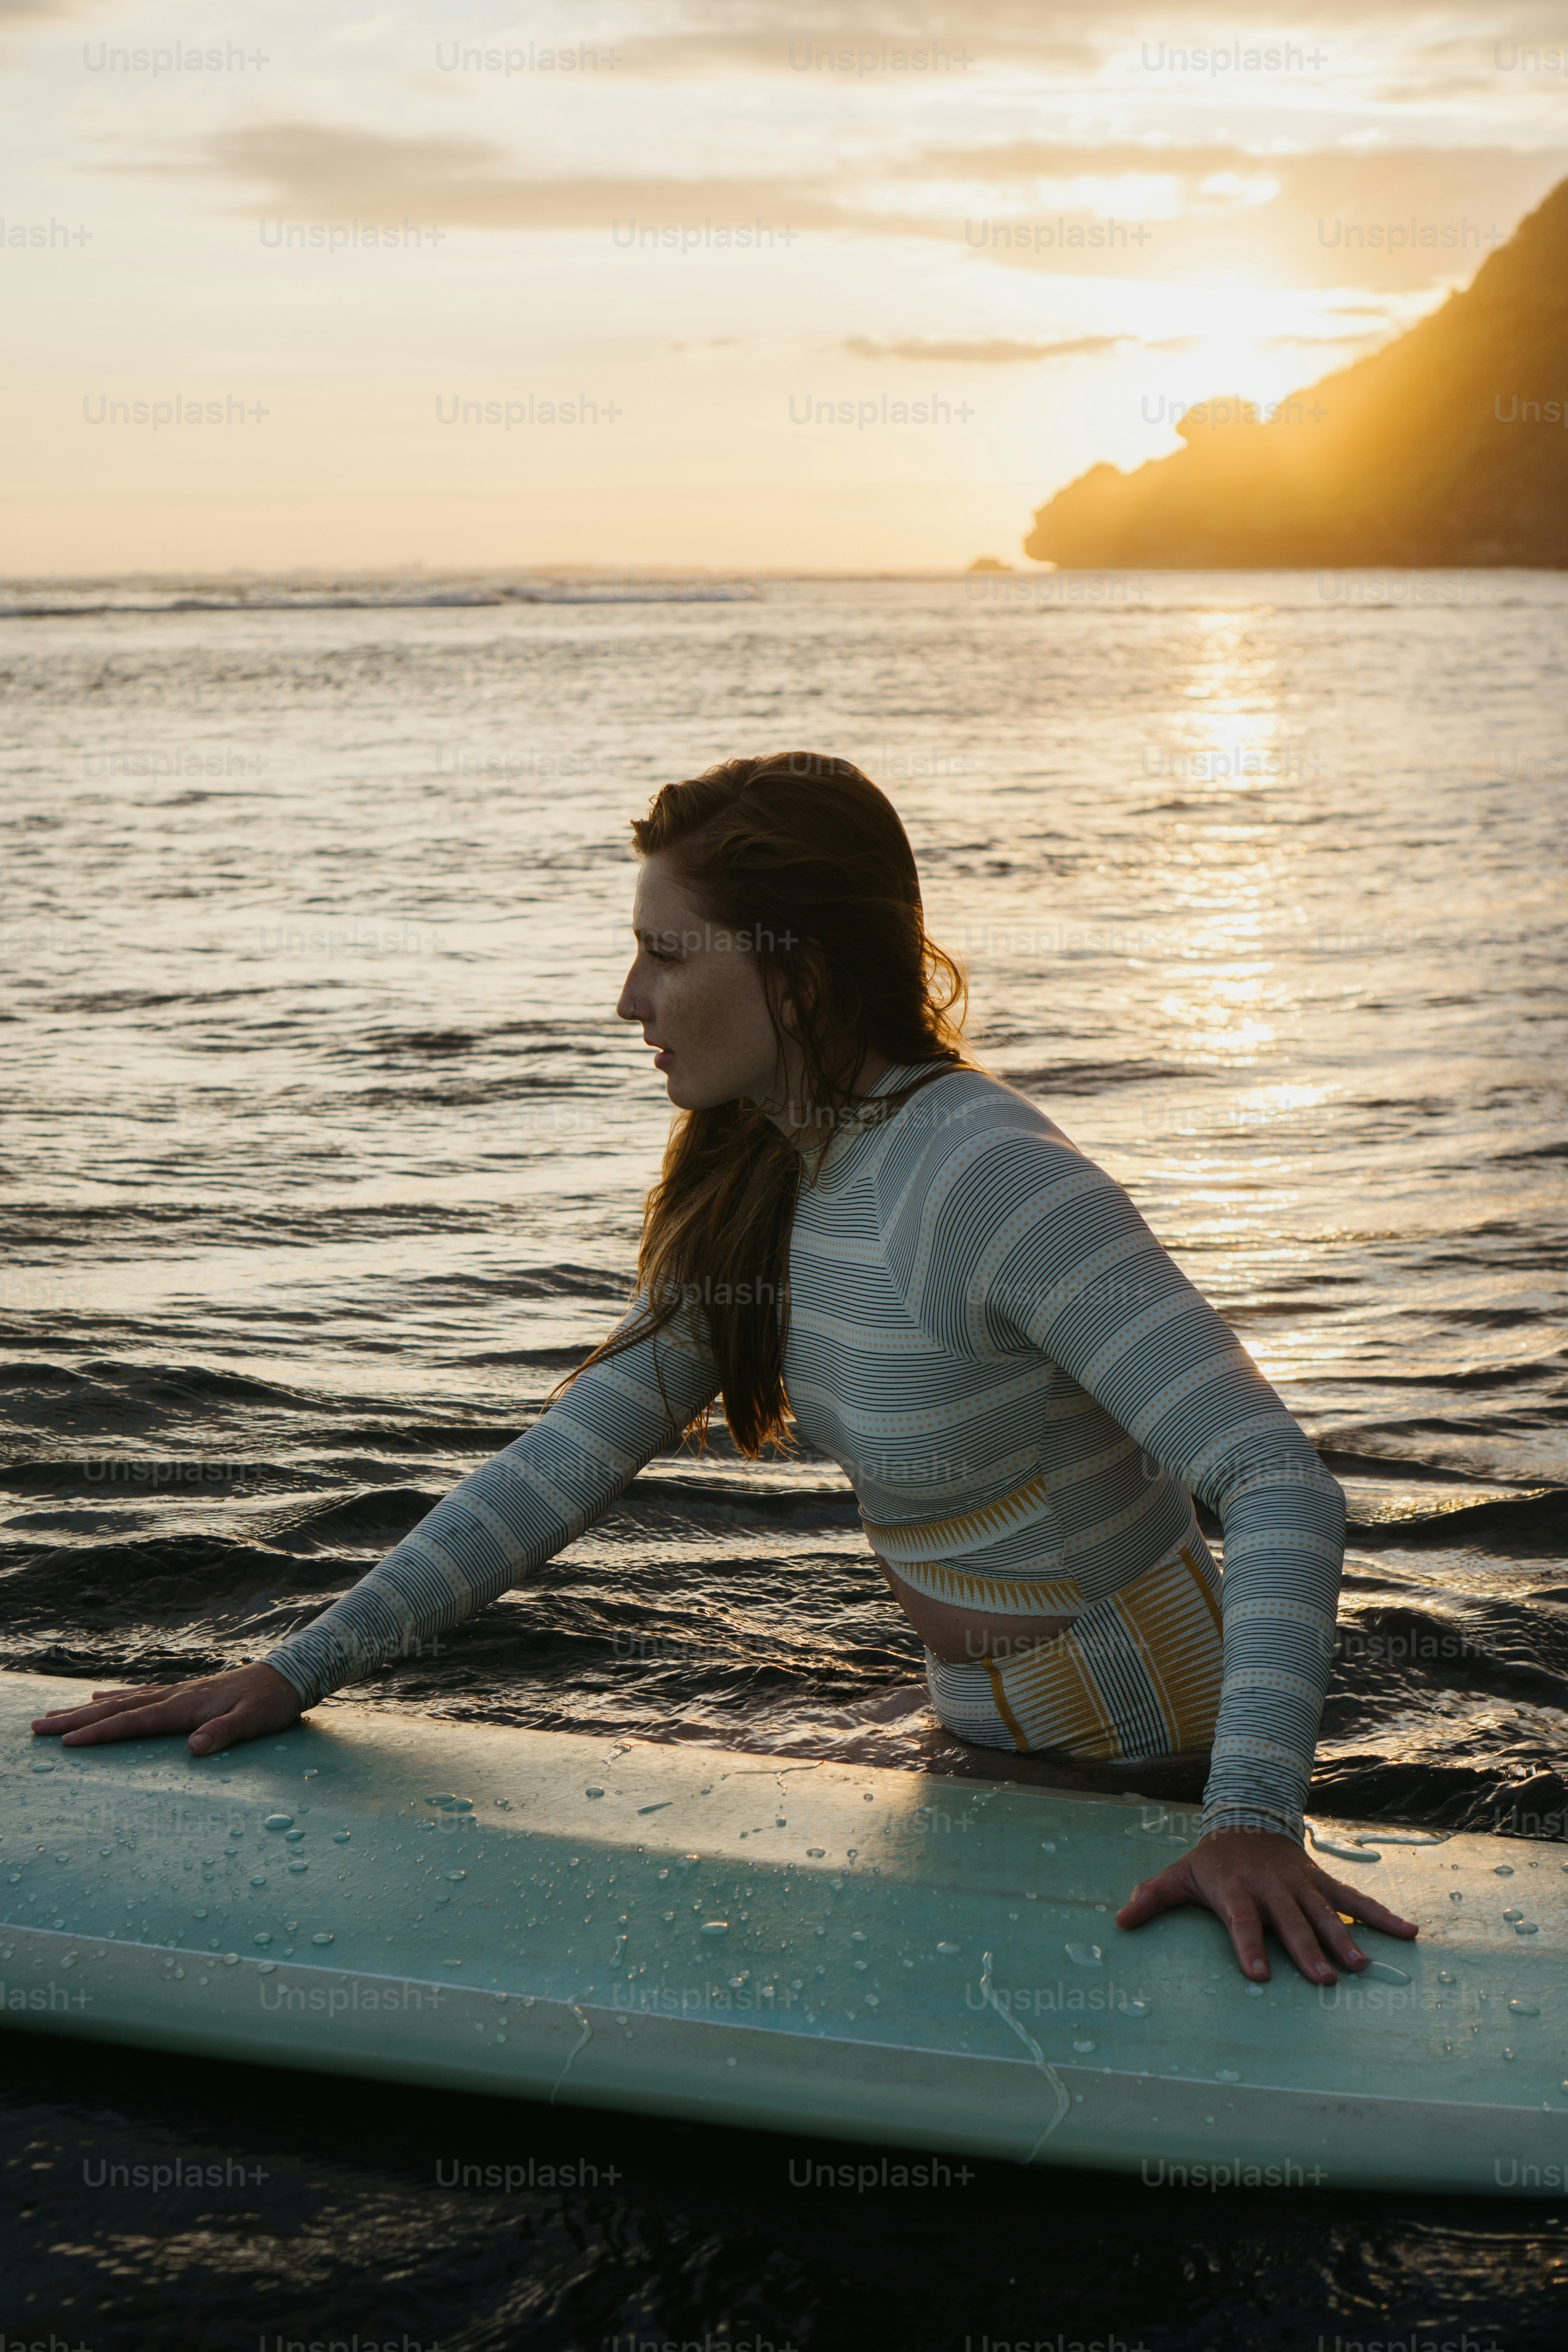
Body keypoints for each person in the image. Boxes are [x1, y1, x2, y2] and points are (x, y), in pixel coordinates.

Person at [33, 752, 1417, 1985]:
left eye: (666, 955)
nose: (628, 997)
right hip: (992, 1751)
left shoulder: (989, 1177)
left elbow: (1277, 1482)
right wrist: (295, 1671)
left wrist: (1247, 1820)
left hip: (1156, 1762)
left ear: (796, 970)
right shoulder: (771, 1170)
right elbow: (565, 1461)